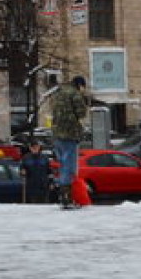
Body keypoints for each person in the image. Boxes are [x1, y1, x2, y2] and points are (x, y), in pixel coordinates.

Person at [50, 75, 88, 210]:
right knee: (70, 167)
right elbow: (82, 113)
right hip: (70, 134)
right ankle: (68, 198)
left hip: (56, 135)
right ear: (79, 85)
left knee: (62, 166)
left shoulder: (59, 93)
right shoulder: (75, 94)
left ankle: (62, 196)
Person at [19, 139, 53, 203]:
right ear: (30, 148)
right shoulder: (25, 158)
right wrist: (22, 172)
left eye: (36, 147)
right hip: (31, 186)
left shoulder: (44, 158)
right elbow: (21, 170)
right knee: (33, 205)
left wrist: (51, 182)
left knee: (44, 204)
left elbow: (49, 171)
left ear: (39, 147)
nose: (35, 149)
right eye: (33, 147)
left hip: (43, 185)